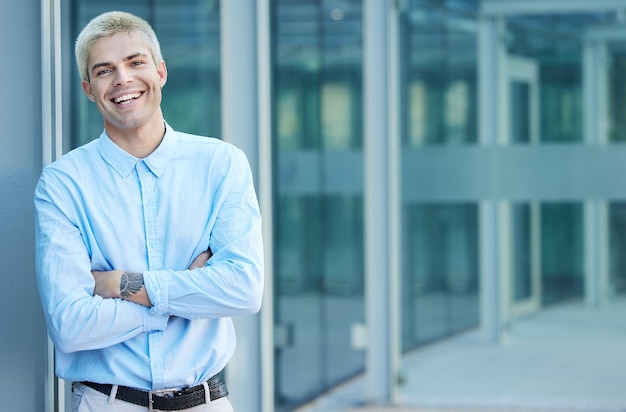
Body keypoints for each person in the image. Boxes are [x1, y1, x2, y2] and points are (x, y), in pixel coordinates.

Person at [34, 10, 264, 412]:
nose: (123, 78)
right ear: (89, 89)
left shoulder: (221, 164)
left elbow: (243, 289)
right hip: (108, 404)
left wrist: (119, 283)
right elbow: (70, 325)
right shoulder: (63, 184)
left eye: (135, 62)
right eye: (105, 70)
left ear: (160, 72)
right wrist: (181, 297)